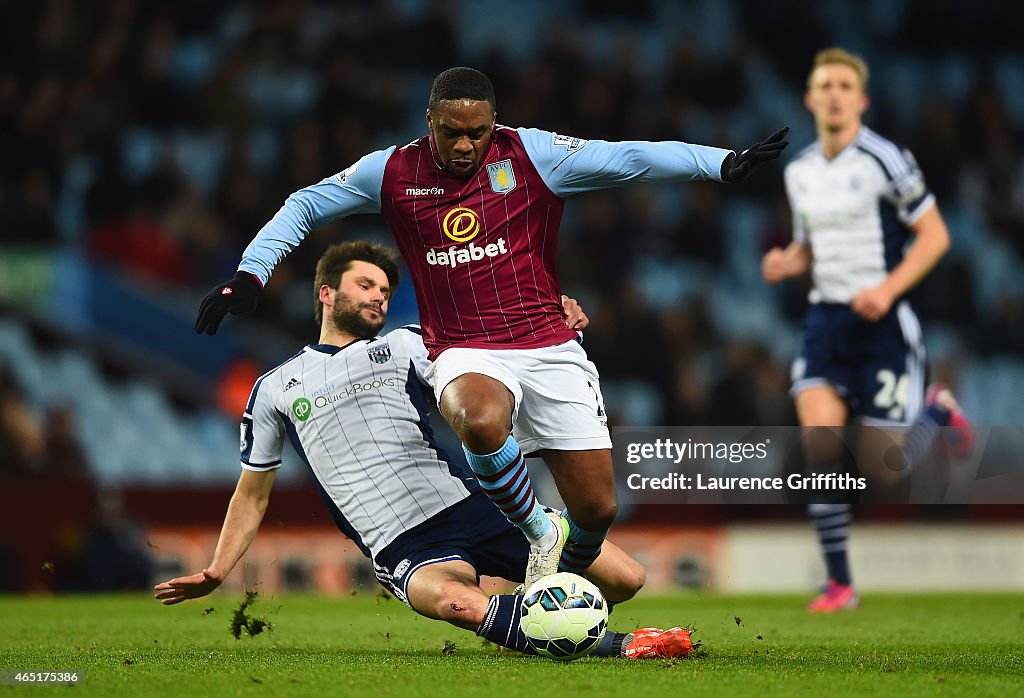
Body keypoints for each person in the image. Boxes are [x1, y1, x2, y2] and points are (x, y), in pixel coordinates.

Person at [194, 66, 789, 588]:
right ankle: (536, 531)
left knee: (597, 510)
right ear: (430, 121)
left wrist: (721, 164)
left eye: (477, 132)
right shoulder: (392, 172)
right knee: (477, 418)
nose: (464, 144)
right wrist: (250, 276)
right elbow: (305, 203)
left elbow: (627, 158)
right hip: (461, 346)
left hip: (548, 344)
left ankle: (553, 580)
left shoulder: (532, 154)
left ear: (494, 123)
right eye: (451, 131)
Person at [159, 241, 693, 659]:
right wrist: (217, 569)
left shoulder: (408, 343)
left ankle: (518, 624)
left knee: (627, 578)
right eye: (365, 285)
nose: (378, 297)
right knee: (457, 602)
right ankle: (615, 645)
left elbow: (495, 347)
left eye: (386, 290)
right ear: (325, 292)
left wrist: (550, 324)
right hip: (398, 541)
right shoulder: (274, 387)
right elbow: (252, 495)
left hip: (471, 507)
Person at [761, 48, 974, 612]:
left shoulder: (887, 159)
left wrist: (887, 289)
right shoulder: (800, 170)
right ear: (809, 98)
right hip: (826, 325)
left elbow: (934, 236)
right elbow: (812, 248)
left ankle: (938, 410)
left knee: (885, 471)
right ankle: (839, 584)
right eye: (824, 85)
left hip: (882, 326)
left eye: (843, 86)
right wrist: (790, 261)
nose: (833, 94)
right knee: (821, 449)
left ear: (861, 100)